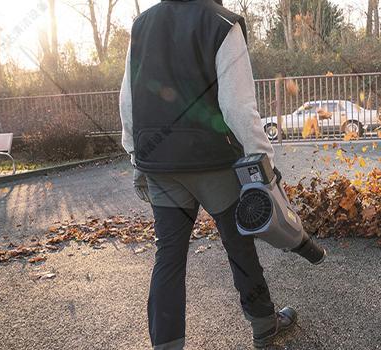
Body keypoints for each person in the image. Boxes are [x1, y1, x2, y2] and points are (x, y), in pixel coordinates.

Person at [118, 0, 297, 349]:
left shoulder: (143, 24)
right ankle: (263, 324)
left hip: (161, 165)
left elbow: (128, 98)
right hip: (212, 162)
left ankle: (166, 345)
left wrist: (135, 156)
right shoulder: (221, 23)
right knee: (238, 244)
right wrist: (264, 164)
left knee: (168, 255)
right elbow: (238, 106)